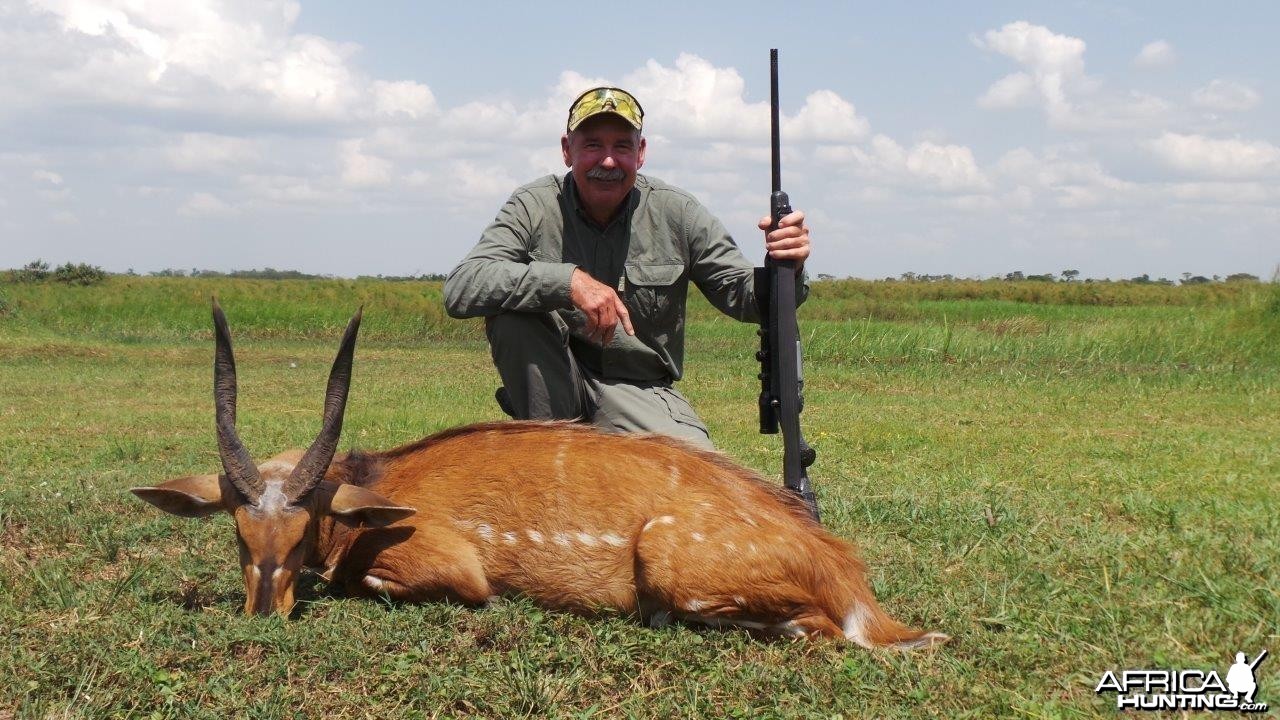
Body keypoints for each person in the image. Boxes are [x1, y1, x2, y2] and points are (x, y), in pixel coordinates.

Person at [444, 86, 811, 450]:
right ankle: (553, 453)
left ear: (641, 153)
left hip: (637, 388)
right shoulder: (533, 205)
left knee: (696, 483)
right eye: (592, 145)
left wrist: (787, 268)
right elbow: (462, 287)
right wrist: (567, 281)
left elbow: (746, 297)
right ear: (566, 150)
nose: (608, 161)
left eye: (622, 145)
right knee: (512, 317)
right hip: (552, 391)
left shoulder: (677, 212)